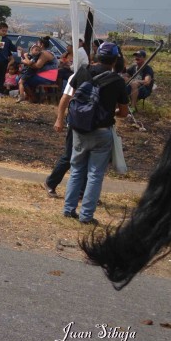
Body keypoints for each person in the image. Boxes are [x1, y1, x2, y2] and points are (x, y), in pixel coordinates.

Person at [53, 41, 128, 224]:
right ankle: (86, 216)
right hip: (102, 132)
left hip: (79, 128)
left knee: (77, 169)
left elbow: (68, 96)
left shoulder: (83, 71)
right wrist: (111, 111)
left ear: (96, 55)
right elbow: (124, 113)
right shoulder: (117, 81)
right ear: (115, 59)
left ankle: (68, 209)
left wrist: (60, 118)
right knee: (95, 174)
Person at [17, 36, 58, 103]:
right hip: (43, 75)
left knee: (21, 80)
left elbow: (37, 66)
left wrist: (24, 61)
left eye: (37, 43)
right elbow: (31, 58)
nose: (36, 44)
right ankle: (30, 97)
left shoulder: (44, 53)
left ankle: (33, 98)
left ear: (41, 45)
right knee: (21, 78)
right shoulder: (41, 52)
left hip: (47, 77)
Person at [124, 49, 155, 113]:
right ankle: (120, 105)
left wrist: (133, 80)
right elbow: (126, 75)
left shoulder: (147, 68)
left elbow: (147, 82)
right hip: (133, 87)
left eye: (139, 56)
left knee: (134, 83)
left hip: (144, 90)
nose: (136, 58)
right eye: (136, 56)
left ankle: (132, 108)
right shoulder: (133, 66)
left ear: (144, 58)